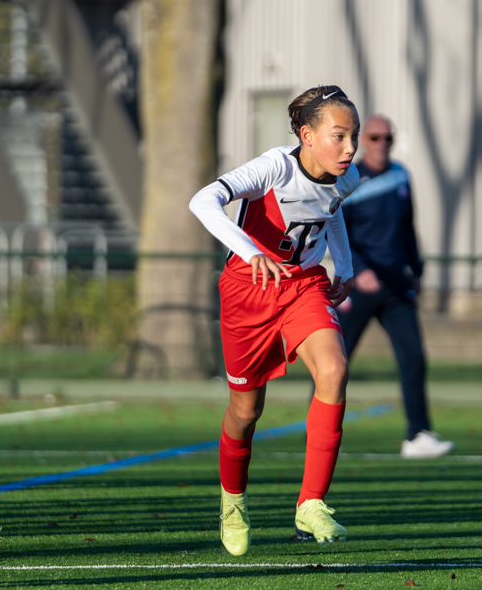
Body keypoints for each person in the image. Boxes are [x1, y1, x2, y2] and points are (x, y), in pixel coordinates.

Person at [189, 85, 360, 555]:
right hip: (247, 289)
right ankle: (232, 501)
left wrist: (342, 266)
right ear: (307, 135)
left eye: (355, 137)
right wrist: (251, 253)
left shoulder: (349, 176)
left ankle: (311, 502)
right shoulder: (274, 167)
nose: (350, 149)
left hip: (303, 285)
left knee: (334, 371)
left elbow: (333, 211)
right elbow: (202, 201)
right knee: (245, 413)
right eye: (339, 136)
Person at [336, 114, 454, 458]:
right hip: (359, 287)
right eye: (374, 138)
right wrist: (357, 270)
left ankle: (417, 435)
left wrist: (416, 268)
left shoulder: (401, 175)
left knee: (414, 358)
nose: (381, 144)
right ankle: (323, 432)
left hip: (396, 286)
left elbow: (408, 228)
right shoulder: (348, 179)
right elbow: (337, 231)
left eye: (387, 138)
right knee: (335, 361)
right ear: (361, 140)